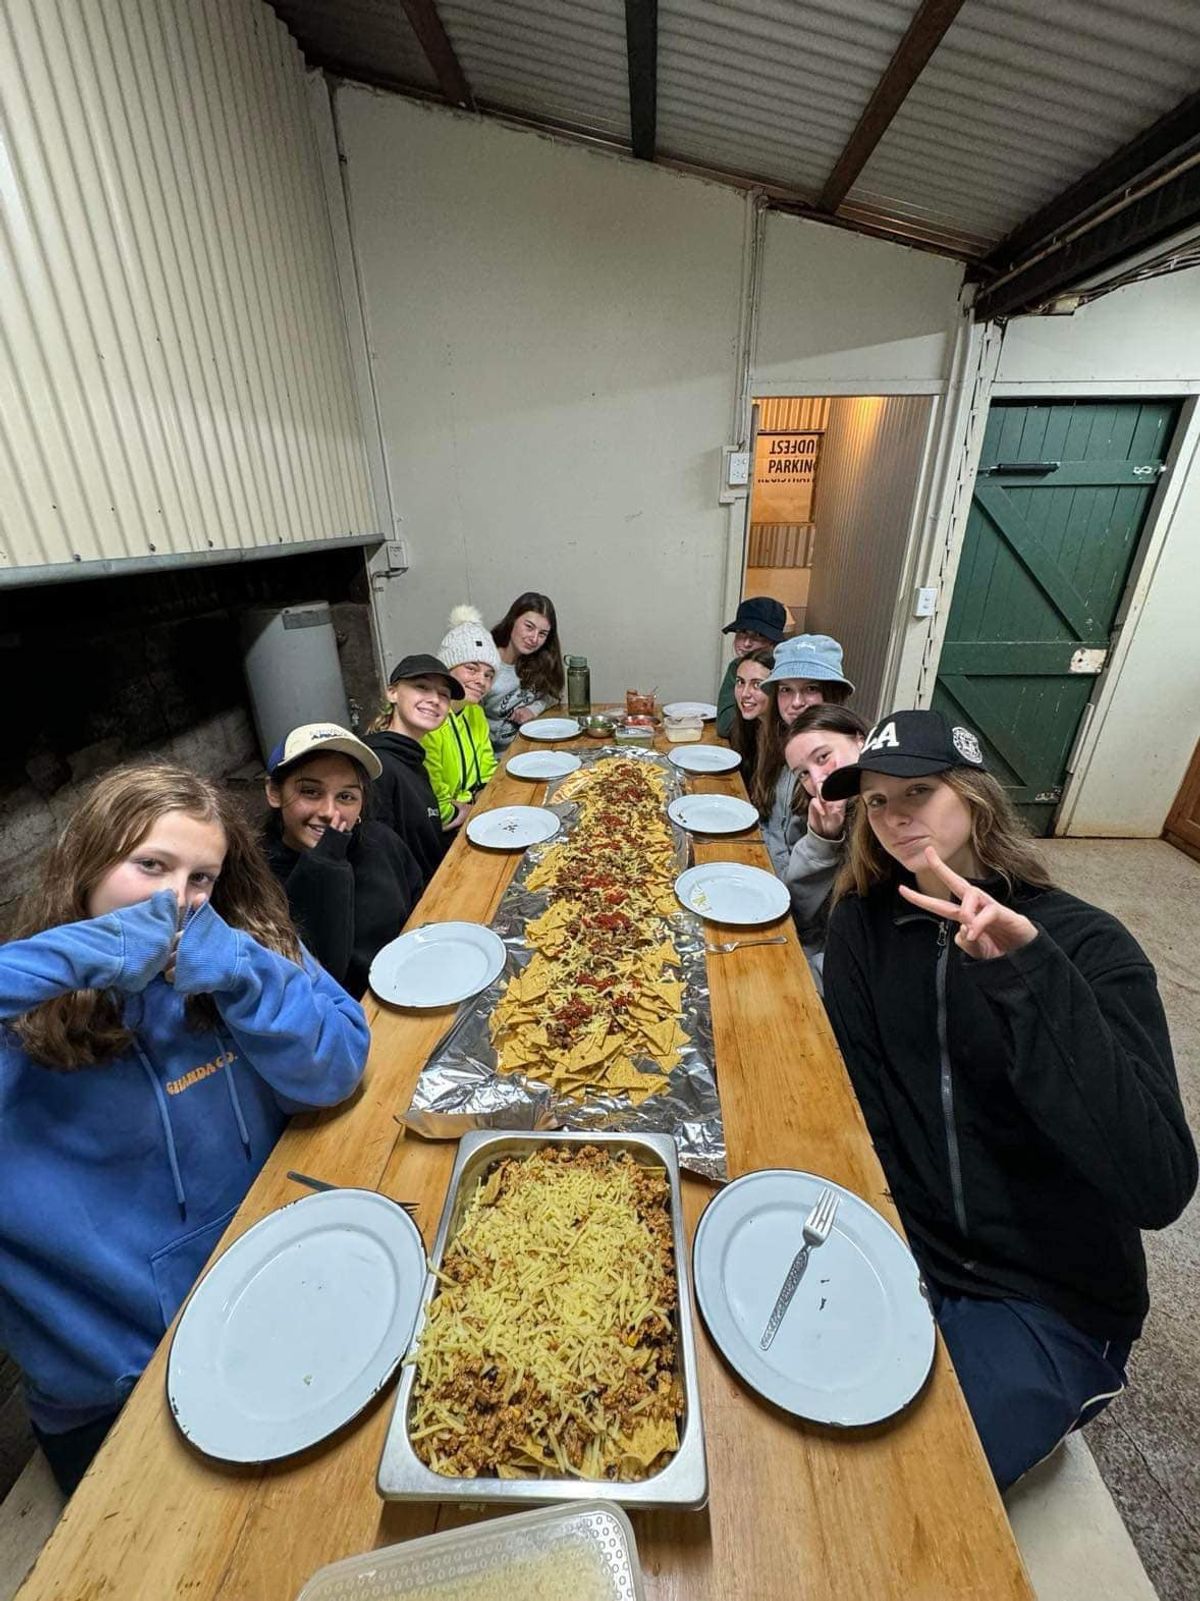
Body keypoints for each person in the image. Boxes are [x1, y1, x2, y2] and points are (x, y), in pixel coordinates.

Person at [821, 710, 1197, 1491]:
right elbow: (866, 1099)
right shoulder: (863, 921)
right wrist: (881, 1243)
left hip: (1050, 1297)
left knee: (915, 1490)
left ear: (974, 796)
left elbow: (1157, 1183)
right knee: (801, 1435)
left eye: (919, 791)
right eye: (877, 800)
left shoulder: (1088, 946)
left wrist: (1027, 973)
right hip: (914, 1246)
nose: (894, 816)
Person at [0, 763, 369, 1495]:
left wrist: (244, 972)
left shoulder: (232, 949)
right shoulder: (17, 1030)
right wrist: (79, 955)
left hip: (277, 1301)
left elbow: (337, 1064)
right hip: (120, 1392)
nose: (176, 900)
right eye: (151, 866)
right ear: (87, 865)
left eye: (201, 877)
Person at [263, 724, 425, 998]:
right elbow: (316, 977)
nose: (329, 811)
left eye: (346, 796)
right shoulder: (256, 880)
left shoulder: (381, 842)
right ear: (274, 793)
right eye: (310, 792)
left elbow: (420, 903)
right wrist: (325, 863)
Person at [781, 705, 868, 991]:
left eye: (823, 757)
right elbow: (800, 913)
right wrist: (821, 841)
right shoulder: (826, 814)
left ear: (860, 740)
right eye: (803, 773)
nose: (818, 779)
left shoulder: (890, 824)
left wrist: (795, 981)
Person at [752, 635, 854, 874]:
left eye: (811, 688)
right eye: (786, 689)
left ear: (834, 694)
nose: (796, 702)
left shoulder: (844, 764)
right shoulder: (776, 740)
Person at [364, 654, 462, 884]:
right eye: (421, 687)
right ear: (392, 693)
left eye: (444, 694)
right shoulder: (377, 766)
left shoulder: (413, 760)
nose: (435, 699)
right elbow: (378, 862)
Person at [421, 606, 500, 831]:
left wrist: (486, 797)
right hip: (446, 824)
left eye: (489, 675)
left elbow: (487, 771)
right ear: (448, 668)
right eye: (471, 669)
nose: (481, 681)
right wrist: (466, 811)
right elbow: (437, 804)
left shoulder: (475, 712)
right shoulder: (429, 719)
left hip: (472, 809)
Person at [484, 592, 565, 753]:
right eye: (529, 627)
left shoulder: (539, 659)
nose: (534, 639)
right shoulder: (485, 665)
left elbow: (553, 696)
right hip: (495, 758)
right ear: (513, 620)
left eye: (542, 634)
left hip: (531, 749)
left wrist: (532, 709)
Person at [715, 597, 788, 739]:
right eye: (742, 632)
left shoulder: (786, 673)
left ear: (774, 642)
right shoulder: (737, 667)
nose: (747, 643)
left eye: (759, 635)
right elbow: (725, 725)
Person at [727, 647, 775, 775]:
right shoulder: (750, 727)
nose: (744, 694)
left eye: (757, 684)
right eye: (740, 682)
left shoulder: (787, 742)